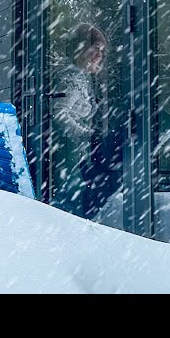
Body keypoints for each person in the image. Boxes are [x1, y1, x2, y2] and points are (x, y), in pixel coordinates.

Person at [50, 23, 118, 219]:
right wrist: (88, 134)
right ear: (79, 49)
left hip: (75, 154)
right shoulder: (72, 78)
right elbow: (60, 114)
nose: (99, 55)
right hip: (68, 154)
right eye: (95, 49)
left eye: (102, 51)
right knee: (69, 200)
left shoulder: (80, 76)